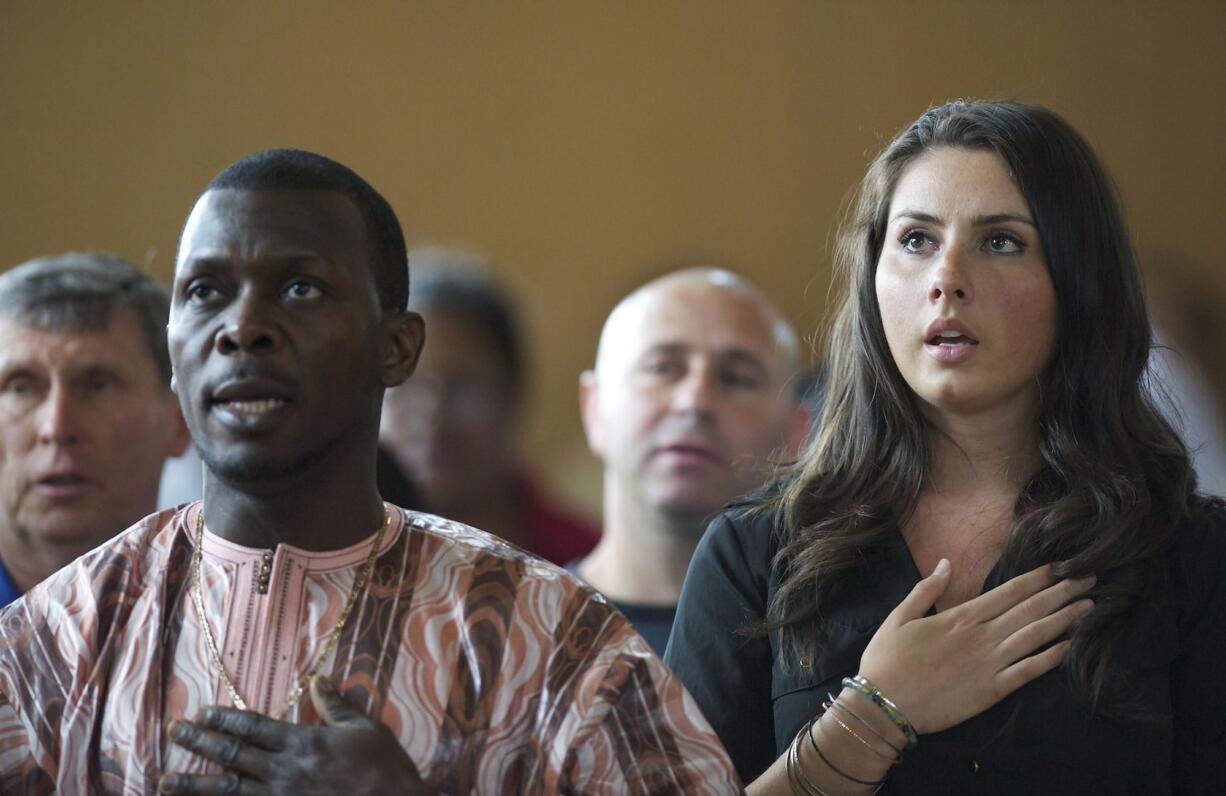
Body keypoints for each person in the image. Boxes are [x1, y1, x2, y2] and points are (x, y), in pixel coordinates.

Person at [0, 149, 741, 794]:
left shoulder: (553, 641)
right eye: (205, 292)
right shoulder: (55, 642)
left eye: (300, 288)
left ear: (396, 347)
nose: (241, 327)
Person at [664, 100, 1226, 794]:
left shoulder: (1192, 555)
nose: (946, 279)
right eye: (916, 240)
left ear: (1079, 284)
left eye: (1001, 242)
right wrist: (868, 719)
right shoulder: (752, 554)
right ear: (873, 282)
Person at [572, 268, 808, 653]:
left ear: (797, 435)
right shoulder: (529, 627)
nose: (694, 402)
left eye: (737, 378)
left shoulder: (831, 644)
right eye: (662, 368)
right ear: (594, 408)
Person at [379, 251, 599, 565]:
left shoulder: (583, 563)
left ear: (512, 395)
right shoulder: (323, 555)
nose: (431, 412)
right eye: (405, 384)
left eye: (463, 387)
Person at [0, 252, 189, 606]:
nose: (56, 427)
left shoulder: (227, 622)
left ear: (181, 422)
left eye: (98, 384)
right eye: (20, 387)